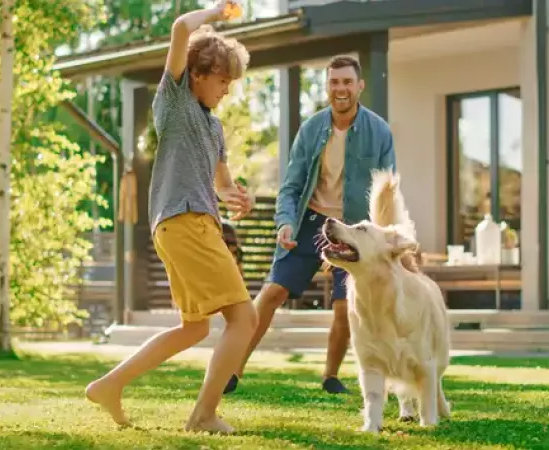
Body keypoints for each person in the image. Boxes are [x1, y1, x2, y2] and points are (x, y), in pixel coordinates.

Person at [84, 0, 258, 434]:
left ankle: (110, 384)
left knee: (195, 328)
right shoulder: (175, 101)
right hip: (187, 222)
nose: (226, 90)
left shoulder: (214, 128)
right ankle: (203, 415)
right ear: (198, 74)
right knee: (245, 318)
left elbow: (222, 183)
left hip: (185, 224)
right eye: (222, 80)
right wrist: (216, 13)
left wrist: (238, 197)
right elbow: (182, 27)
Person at [226, 54, 396, 395]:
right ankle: (232, 370)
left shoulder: (380, 132)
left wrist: (385, 240)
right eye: (334, 82)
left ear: (359, 86)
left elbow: (387, 194)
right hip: (311, 221)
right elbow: (290, 186)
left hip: (352, 229)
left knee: (347, 306)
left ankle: (330, 376)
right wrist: (285, 223)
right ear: (327, 87)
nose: (341, 89)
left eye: (347, 82)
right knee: (272, 293)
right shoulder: (312, 129)